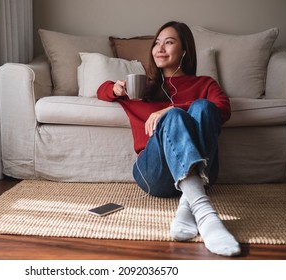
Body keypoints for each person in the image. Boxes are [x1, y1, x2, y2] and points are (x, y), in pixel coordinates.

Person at [97, 21, 241, 257]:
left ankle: (189, 204)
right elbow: (101, 90)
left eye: (169, 42)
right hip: (154, 173)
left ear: (184, 51)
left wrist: (169, 110)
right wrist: (114, 88)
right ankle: (206, 215)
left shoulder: (204, 83)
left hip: (205, 171)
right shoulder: (141, 88)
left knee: (203, 108)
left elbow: (222, 109)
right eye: (157, 43)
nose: (159, 48)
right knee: (175, 115)